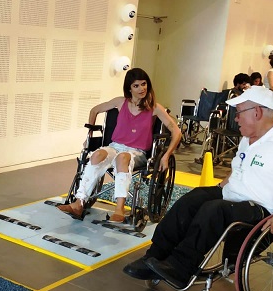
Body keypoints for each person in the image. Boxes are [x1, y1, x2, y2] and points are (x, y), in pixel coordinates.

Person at [122, 85, 273, 288]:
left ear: (256, 112)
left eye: (239, 113)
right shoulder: (248, 139)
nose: (235, 118)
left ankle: (181, 266)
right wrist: (216, 189)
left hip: (262, 209)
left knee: (214, 211)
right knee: (193, 199)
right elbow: (239, 169)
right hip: (233, 196)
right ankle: (155, 255)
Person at [58, 68, 181, 222]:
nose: (142, 88)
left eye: (144, 84)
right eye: (136, 86)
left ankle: (119, 209)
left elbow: (176, 131)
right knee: (97, 154)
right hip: (115, 146)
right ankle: (78, 203)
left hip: (137, 152)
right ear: (129, 88)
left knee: (122, 157)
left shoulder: (154, 107)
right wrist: (89, 135)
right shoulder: (120, 102)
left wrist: (166, 155)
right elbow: (94, 110)